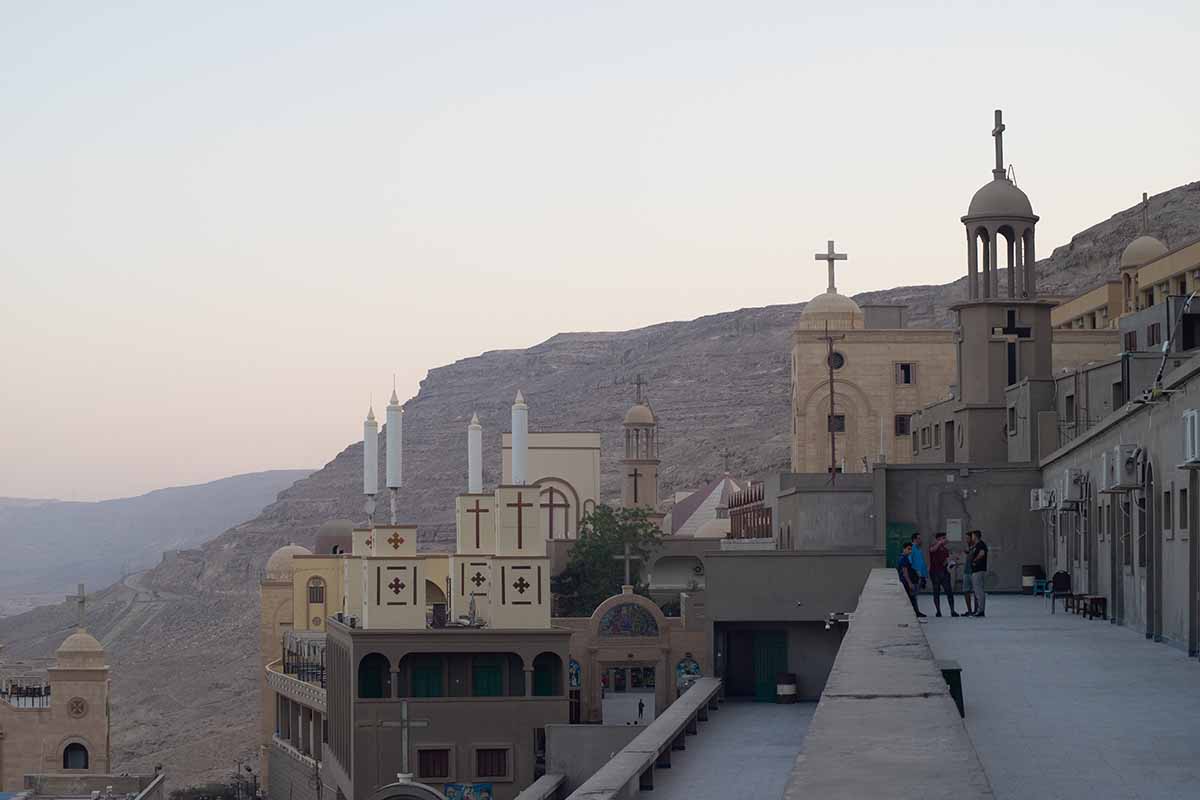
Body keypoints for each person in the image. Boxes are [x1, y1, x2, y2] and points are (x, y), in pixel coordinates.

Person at [928, 531, 958, 617]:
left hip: (944, 572)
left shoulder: (945, 549)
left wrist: (951, 561)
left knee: (949, 592)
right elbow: (932, 550)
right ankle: (938, 611)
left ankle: (952, 611)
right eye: (943, 538)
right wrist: (939, 543)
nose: (945, 539)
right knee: (936, 592)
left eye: (945, 538)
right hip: (935, 572)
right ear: (938, 539)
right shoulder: (933, 546)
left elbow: (945, 563)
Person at [896, 542, 926, 618]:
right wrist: (910, 583)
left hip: (907, 581)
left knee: (912, 598)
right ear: (904, 549)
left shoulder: (905, 558)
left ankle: (916, 612)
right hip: (906, 582)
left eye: (911, 549)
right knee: (911, 598)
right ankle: (916, 613)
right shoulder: (904, 558)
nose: (910, 551)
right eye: (908, 549)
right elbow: (905, 572)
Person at [969, 529, 989, 617]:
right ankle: (980, 610)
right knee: (977, 591)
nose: (971, 537)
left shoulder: (981, 544)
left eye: (972, 535)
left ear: (976, 536)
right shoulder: (976, 545)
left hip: (978, 570)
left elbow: (982, 553)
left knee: (979, 591)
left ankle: (981, 610)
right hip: (976, 570)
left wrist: (975, 560)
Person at [960, 530, 975, 615]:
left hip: (973, 572)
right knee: (966, 591)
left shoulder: (976, 546)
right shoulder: (968, 548)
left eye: (968, 538)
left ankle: (976, 610)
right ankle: (969, 610)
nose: (966, 540)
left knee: (976, 591)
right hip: (966, 571)